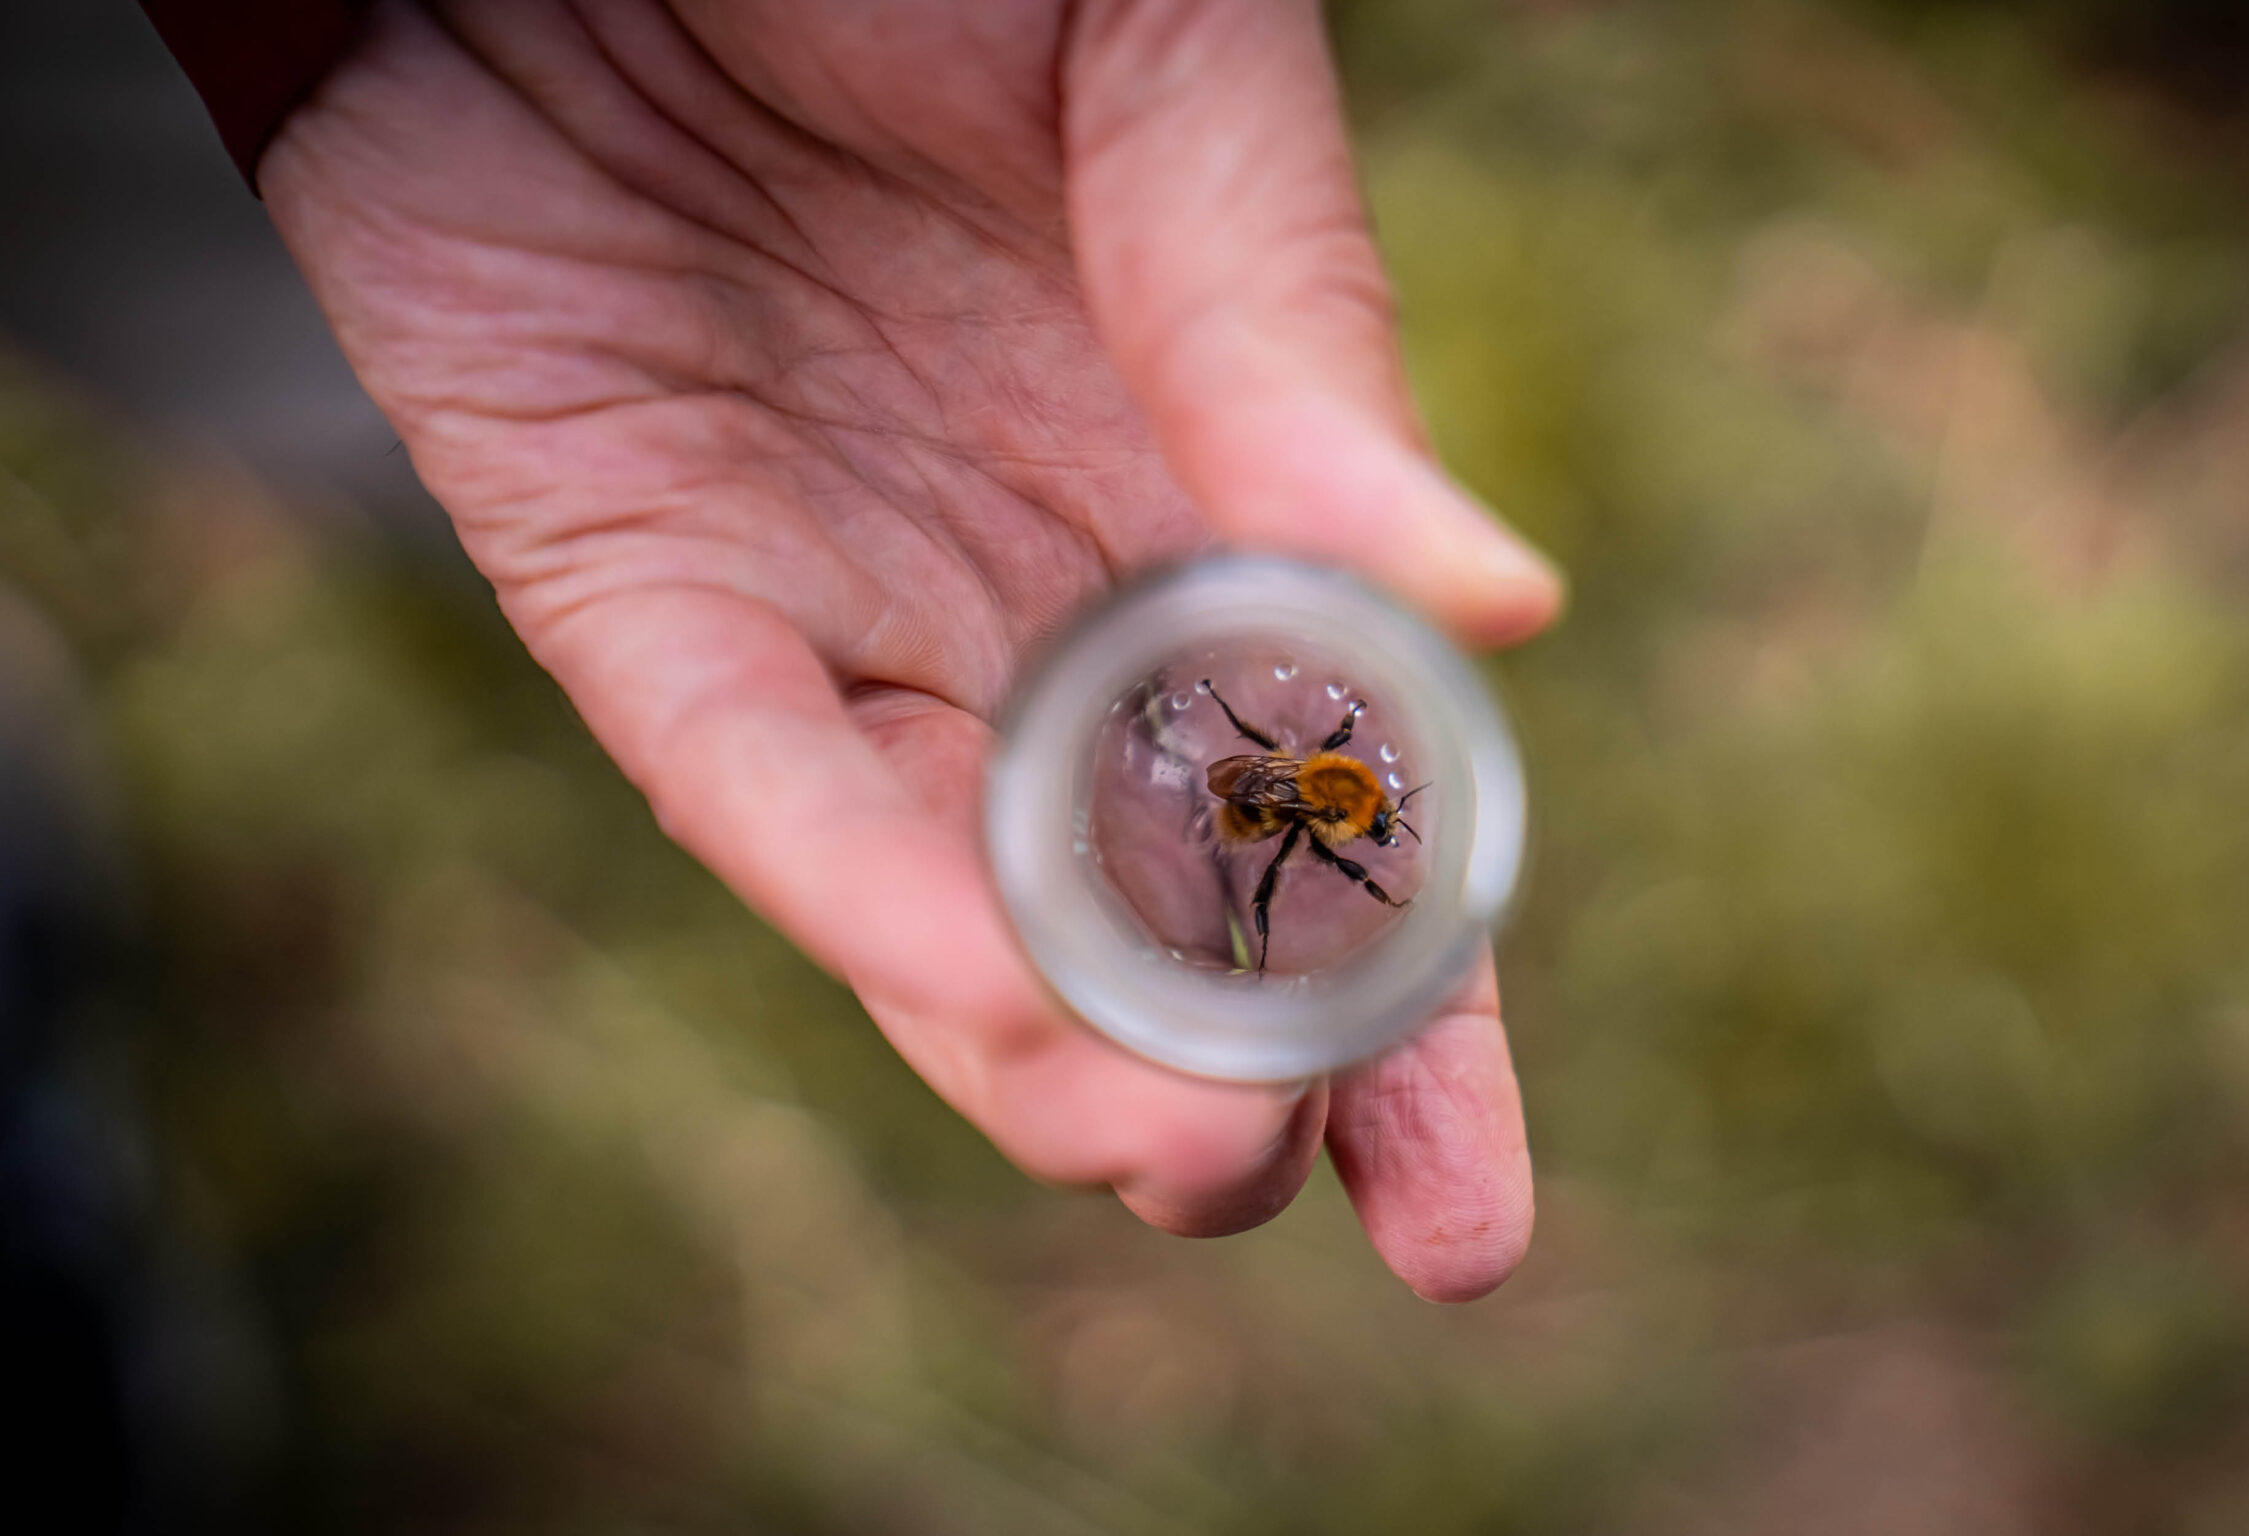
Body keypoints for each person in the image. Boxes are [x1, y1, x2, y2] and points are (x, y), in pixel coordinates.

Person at [145, 0, 1563, 1302]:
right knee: (281, 332)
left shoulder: (1291, 790)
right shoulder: (1272, 782)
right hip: (261, 124)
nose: (1254, 802)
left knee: (298, 340)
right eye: (1276, 798)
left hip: (299, 127)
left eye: (1291, 803)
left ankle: (371, 443)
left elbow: (1269, 809)